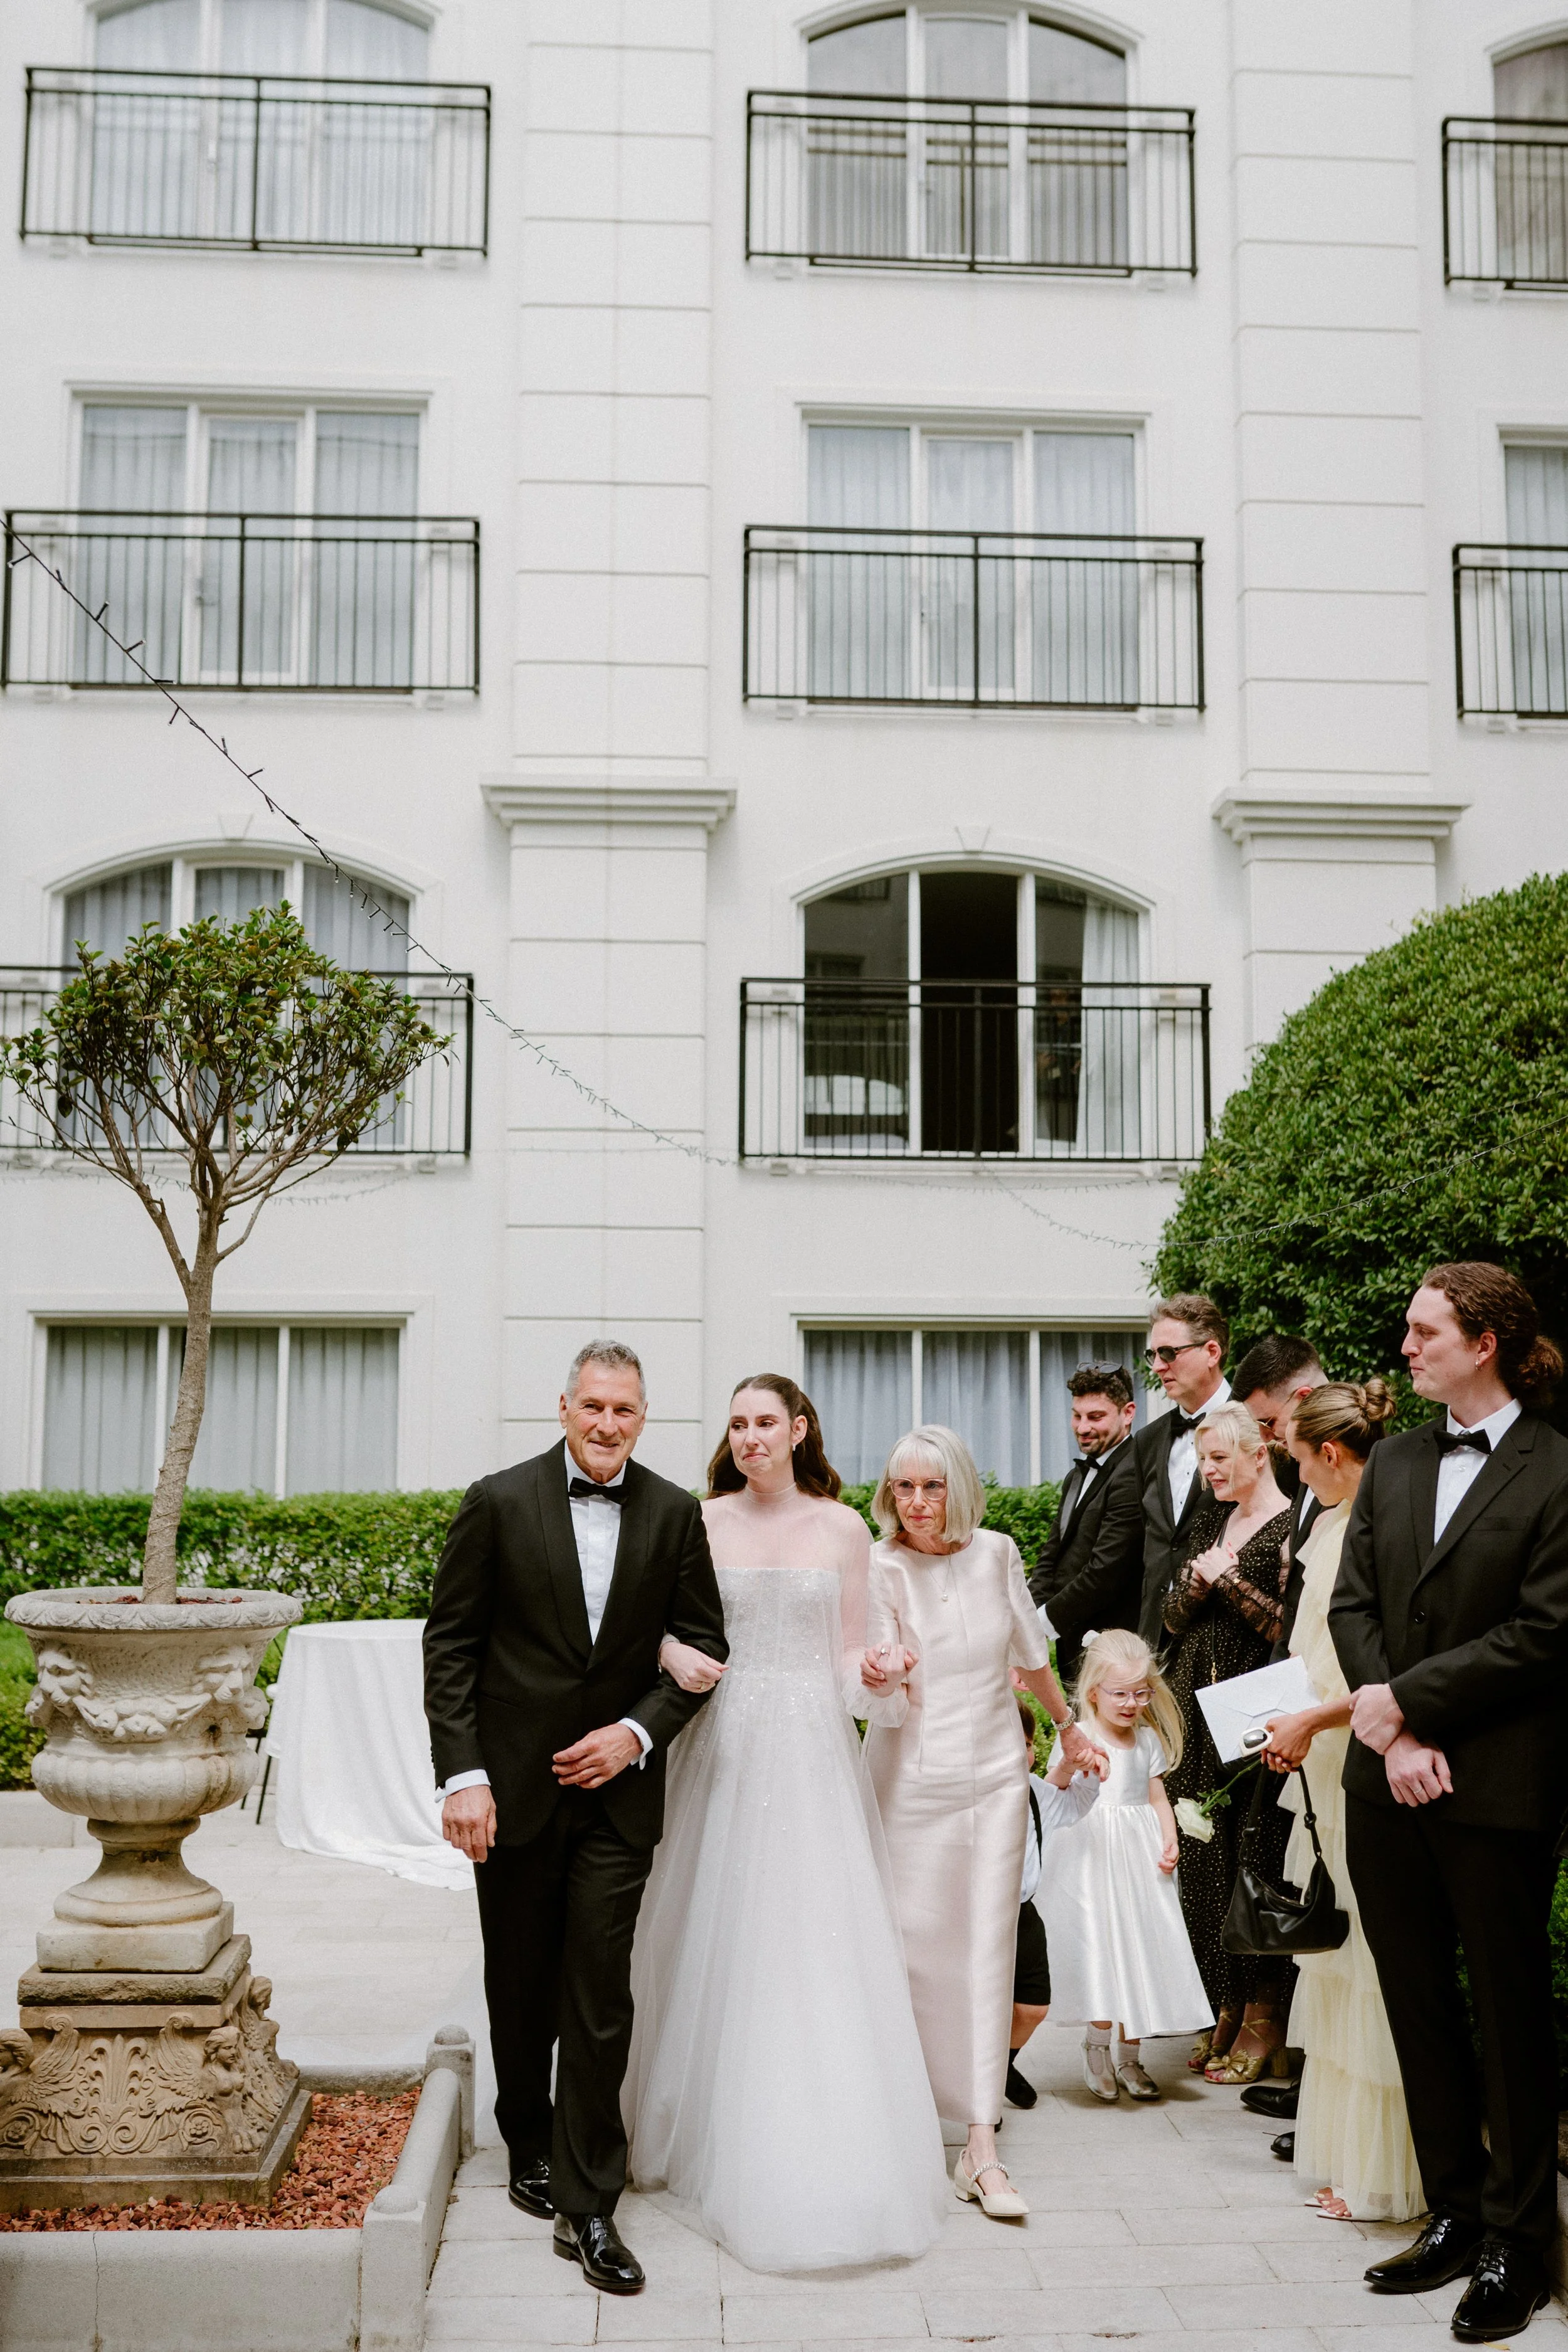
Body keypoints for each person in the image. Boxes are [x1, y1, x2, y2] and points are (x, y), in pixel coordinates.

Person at [421, 1342, 728, 2297]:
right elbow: (452, 1646)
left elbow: (706, 1643)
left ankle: (590, 2200)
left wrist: (637, 1733)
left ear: (644, 1417)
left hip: (618, 1797)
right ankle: (526, 2136)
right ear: (563, 1406)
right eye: (592, 1406)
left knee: (600, 1989)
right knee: (520, 1979)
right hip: (510, 1790)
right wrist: (463, 1776)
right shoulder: (499, 1500)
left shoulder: (677, 1512)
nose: (607, 1424)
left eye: (625, 1410)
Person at [623, 1374, 948, 2272]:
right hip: (719, 1740)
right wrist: (671, 1650)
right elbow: (651, 1627)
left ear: (800, 1429)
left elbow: (846, 1652)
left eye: (767, 1421)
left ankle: (809, 2132)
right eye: (738, 1422)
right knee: (706, 1928)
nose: (751, 1435)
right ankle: (690, 2118)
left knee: (807, 1939)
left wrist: (876, 1672)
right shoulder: (703, 1518)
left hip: (808, 1750)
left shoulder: (843, 1527)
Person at [1329, 1264, 1568, 2341]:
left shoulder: (1559, 1470)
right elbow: (1353, 1601)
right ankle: (1456, 2213)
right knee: (1416, 2001)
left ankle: (1523, 2243)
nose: (1407, 1346)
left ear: (1486, 1342)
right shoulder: (1394, 1464)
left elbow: (1544, 1631)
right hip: (1387, 1780)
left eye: (1426, 1331)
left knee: (1510, 2014)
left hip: (1497, 1783)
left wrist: (1409, 1710)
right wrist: (1394, 1732)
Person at [860, 1424, 1101, 2222]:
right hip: (909, 1781)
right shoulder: (881, 1563)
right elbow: (874, 1686)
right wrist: (881, 1668)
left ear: (958, 1488)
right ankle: (888, 2116)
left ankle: (980, 2145)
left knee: (988, 1947)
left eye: (932, 1487)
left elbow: (1031, 1653)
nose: (917, 1503)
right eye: (903, 1488)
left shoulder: (996, 1552)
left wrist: (1068, 1726)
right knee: (907, 1945)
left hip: (997, 1777)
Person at [1259, 1379, 1421, 2223]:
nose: (1293, 1476)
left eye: (1295, 1458)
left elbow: (1374, 1662)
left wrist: (1314, 1718)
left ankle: (1380, 2166)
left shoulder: (1384, 1524)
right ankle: (1341, 2151)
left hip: (1350, 1745)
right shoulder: (1321, 1521)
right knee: (1328, 1954)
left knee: (1367, 1961)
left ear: (1329, 1453)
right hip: (1313, 1749)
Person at [1160, 1402, 1294, 2084]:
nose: (1208, 1469)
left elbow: (1286, 1627)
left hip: (1254, 1716)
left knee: (1255, 1857)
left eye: (1219, 1458)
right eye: (1203, 1459)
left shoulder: (1290, 1523)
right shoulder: (1214, 1521)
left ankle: (1263, 2014)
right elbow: (1171, 1615)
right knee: (1204, 1871)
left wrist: (1227, 1578)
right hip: (1193, 1713)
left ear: (1257, 1454)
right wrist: (1196, 1580)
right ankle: (1223, 2001)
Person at [1040, 1627, 1211, 2104]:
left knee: (1141, 1950)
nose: (1132, 1703)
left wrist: (1170, 1836)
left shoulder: (1148, 1739)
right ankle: (1097, 2049)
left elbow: (1156, 1794)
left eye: (1142, 1692)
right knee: (1103, 1947)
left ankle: (1131, 2057)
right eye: (1121, 1693)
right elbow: (1058, 1790)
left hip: (1139, 1855)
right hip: (1094, 1853)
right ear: (1093, 1690)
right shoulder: (1082, 1736)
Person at [1005, 1691, 1102, 2109]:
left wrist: (1083, 1769)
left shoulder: (1032, 1792)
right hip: (976, 1918)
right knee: (982, 2005)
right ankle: (981, 2088)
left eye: (1028, 1744)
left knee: (1032, 2005)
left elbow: (1074, 1802)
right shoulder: (967, 1796)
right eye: (1013, 1744)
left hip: (1023, 1913)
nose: (1024, 1753)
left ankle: (1001, 2065)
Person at [1029, 1362, 1143, 1687]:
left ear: (1128, 1413)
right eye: (1077, 1416)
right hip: (1071, 1650)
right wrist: (1027, 1623)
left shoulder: (1133, 1473)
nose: (1082, 1427)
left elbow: (1105, 1572)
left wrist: (1039, 1627)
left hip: (1112, 1656)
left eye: (1096, 1417)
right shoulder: (1076, 1476)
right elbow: (1052, 1556)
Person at [1132, 1294, 1232, 1646]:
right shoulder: (1147, 1440)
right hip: (1154, 1635)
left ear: (1212, 1352)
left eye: (1169, 1353)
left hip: (1224, 1630)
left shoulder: (1254, 1427)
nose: (1158, 1366)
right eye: (1153, 1355)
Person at [1232, 1332, 1330, 1664]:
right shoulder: (1298, 1467)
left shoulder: (1375, 1465)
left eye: (1268, 1421)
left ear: (1304, 1397)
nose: (1265, 1436)